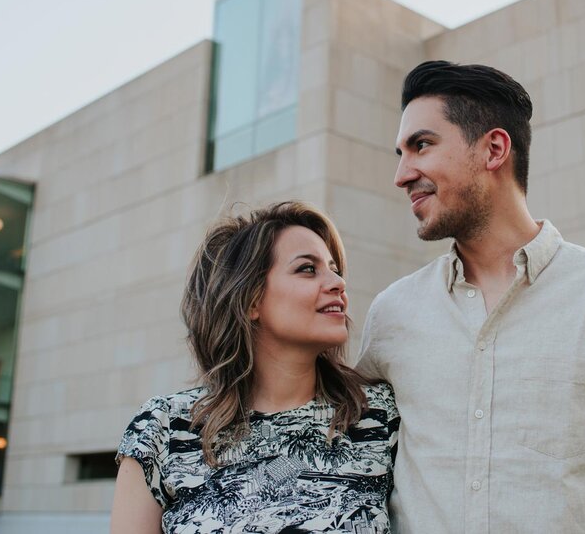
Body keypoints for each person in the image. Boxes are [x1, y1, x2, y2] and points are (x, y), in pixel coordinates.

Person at [357, 61, 585, 532]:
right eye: (401, 152)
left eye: (422, 145)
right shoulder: (392, 313)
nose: (401, 174)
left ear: (493, 149)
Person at [111, 201, 400, 534]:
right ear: (251, 301)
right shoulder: (163, 430)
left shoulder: (378, 415)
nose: (337, 282)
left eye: (334, 268)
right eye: (308, 268)